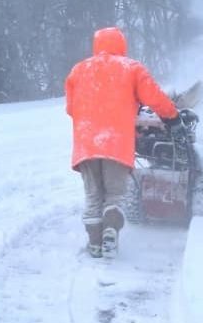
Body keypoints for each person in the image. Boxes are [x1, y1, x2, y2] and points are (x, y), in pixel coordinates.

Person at [65, 26, 184, 258]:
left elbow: (71, 108)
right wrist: (173, 118)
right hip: (116, 143)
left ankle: (95, 243)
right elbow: (154, 97)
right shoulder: (131, 68)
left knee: (92, 196)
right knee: (114, 194)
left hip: (86, 144)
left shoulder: (78, 70)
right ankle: (111, 230)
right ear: (122, 45)